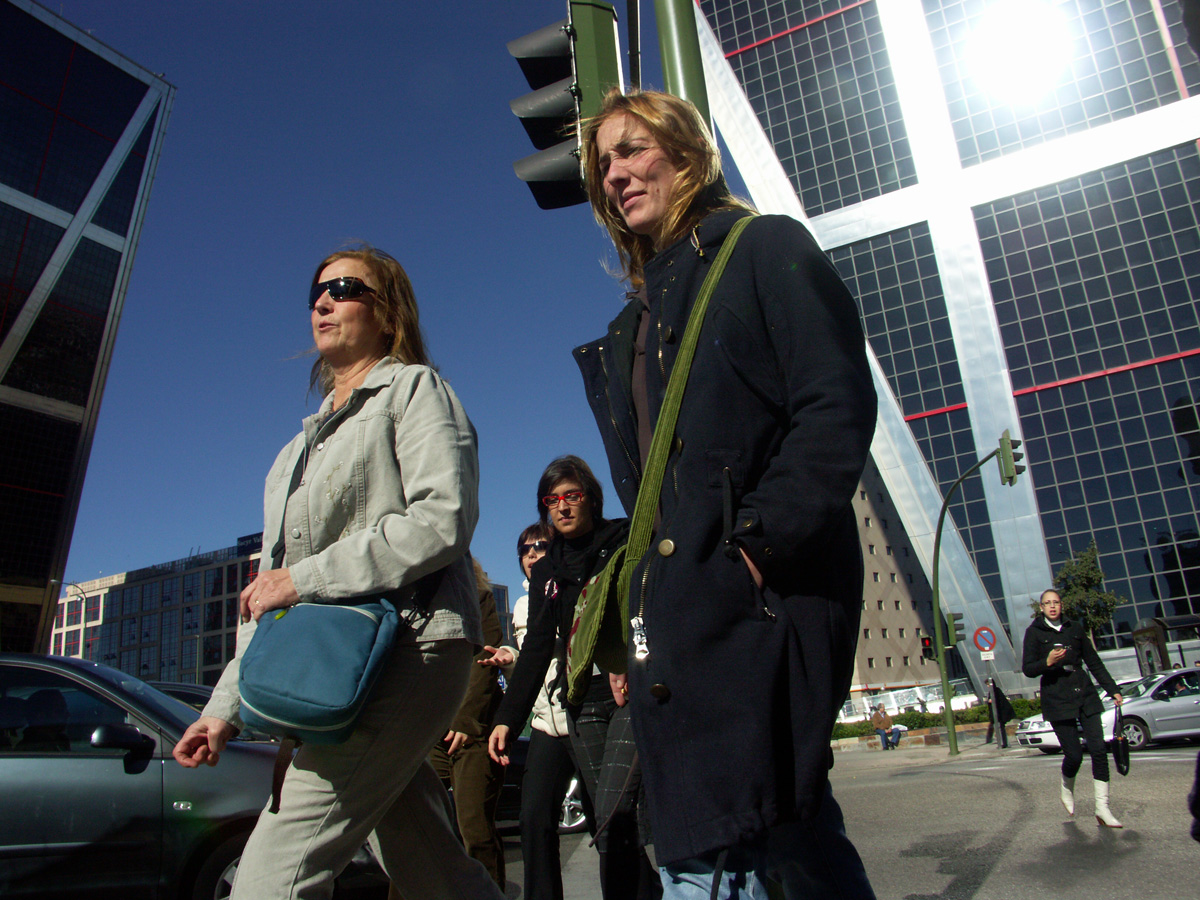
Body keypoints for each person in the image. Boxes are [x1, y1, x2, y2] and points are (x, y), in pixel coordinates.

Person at [576, 89, 877, 899]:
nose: (615, 173)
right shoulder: (627, 332)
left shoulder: (762, 249)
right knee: (787, 834)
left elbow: (835, 405)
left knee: (716, 849)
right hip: (681, 621)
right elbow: (651, 494)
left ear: (688, 153)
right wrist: (646, 611)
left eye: (634, 149)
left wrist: (748, 552)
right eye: (604, 161)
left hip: (756, 605)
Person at [172, 245, 503, 900]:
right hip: (335, 674)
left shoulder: (414, 390)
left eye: (346, 288)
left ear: (387, 313)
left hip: (410, 649)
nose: (322, 301)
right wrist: (222, 712)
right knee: (429, 867)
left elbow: (442, 519)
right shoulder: (291, 455)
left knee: (271, 881)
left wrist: (306, 579)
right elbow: (268, 597)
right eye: (316, 292)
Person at [488, 456, 660, 900]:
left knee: (613, 811)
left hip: (627, 693)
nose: (561, 507)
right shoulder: (548, 570)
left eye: (571, 496)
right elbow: (537, 648)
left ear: (590, 499)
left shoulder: (624, 539)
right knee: (608, 828)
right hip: (580, 701)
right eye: (552, 500)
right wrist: (508, 717)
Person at [480, 522, 588, 900]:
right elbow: (532, 662)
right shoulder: (524, 605)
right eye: (524, 550)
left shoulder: (574, 586)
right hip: (546, 724)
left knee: (611, 821)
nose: (531, 555)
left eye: (540, 547)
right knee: (533, 820)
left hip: (584, 718)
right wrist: (510, 658)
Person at [421, 557, 508, 891]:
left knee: (475, 831)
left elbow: (485, 658)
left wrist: (464, 719)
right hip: (426, 728)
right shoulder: (415, 600)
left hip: (473, 730)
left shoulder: (477, 596)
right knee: (414, 830)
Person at [1022, 589, 1124, 828]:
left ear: (1061, 605)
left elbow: (1093, 661)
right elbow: (1028, 668)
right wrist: (1047, 662)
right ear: (1042, 608)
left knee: (1099, 749)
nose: (1052, 607)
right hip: (1057, 696)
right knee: (1075, 755)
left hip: (1084, 693)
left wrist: (1112, 689)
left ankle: (1102, 808)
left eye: (1056, 602)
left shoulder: (1075, 628)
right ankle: (1067, 786)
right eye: (1047, 603)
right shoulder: (1034, 632)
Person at [984, 678, 1015, 748]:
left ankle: (1004, 743)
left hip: (999, 714)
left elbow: (999, 702)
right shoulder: (993, 691)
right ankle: (1003, 743)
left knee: (1000, 729)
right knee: (1000, 728)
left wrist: (991, 701)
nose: (988, 686)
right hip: (998, 714)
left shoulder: (996, 691)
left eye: (988, 684)